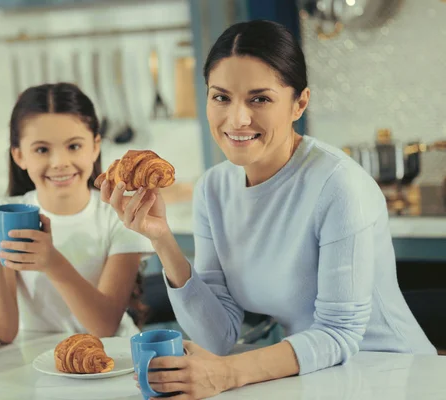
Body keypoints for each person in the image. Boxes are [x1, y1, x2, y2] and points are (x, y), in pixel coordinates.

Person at [101, 20, 436, 399]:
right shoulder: (214, 188)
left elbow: (339, 333)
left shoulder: (339, 186)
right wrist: (162, 239)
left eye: (259, 98)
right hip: (311, 377)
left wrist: (227, 374)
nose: (237, 119)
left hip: (392, 374)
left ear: (300, 103)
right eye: (221, 97)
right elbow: (218, 336)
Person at [0, 83, 152, 343]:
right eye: (42, 149)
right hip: (32, 361)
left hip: (110, 358)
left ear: (95, 146)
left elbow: (105, 327)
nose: (60, 162)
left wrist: (52, 262)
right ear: (19, 156)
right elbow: (3, 334)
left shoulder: (119, 215)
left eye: (74, 146)